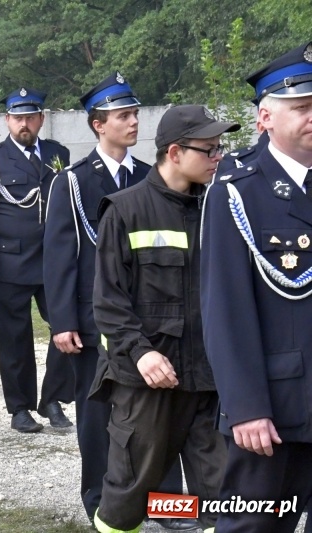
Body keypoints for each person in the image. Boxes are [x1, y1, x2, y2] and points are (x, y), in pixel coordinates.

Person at [90, 105, 239, 533]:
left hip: (208, 380)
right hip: (147, 382)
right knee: (128, 499)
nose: (217, 158)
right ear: (175, 152)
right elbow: (109, 301)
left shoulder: (220, 209)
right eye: (209, 150)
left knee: (226, 494)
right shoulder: (125, 210)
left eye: (219, 149)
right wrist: (140, 354)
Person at [201, 42, 312, 532]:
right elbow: (225, 311)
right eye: (303, 107)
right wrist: (245, 407)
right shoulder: (236, 191)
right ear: (265, 116)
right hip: (275, 412)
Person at [44, 72, 150, 522]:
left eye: (134, 114)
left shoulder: (147, 176)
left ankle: (149, 499)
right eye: (122, 116)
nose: (132, 122)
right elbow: (59, 258)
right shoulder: (71, 182)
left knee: (145, 417)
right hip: (91, 320)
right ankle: (98, 500)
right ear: (97, 125)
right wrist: (63, 320)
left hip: (143, 316)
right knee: (95, 417)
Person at [0, 87, 74, 432]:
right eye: (18, 118)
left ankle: (53, 398)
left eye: (30, 117)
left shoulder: (58, 153)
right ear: (7, 121)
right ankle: (20, 407)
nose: (24, 124)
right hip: (9, 260)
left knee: (67, 326)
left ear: (41, 119)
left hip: (53, 260)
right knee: (14, 338)